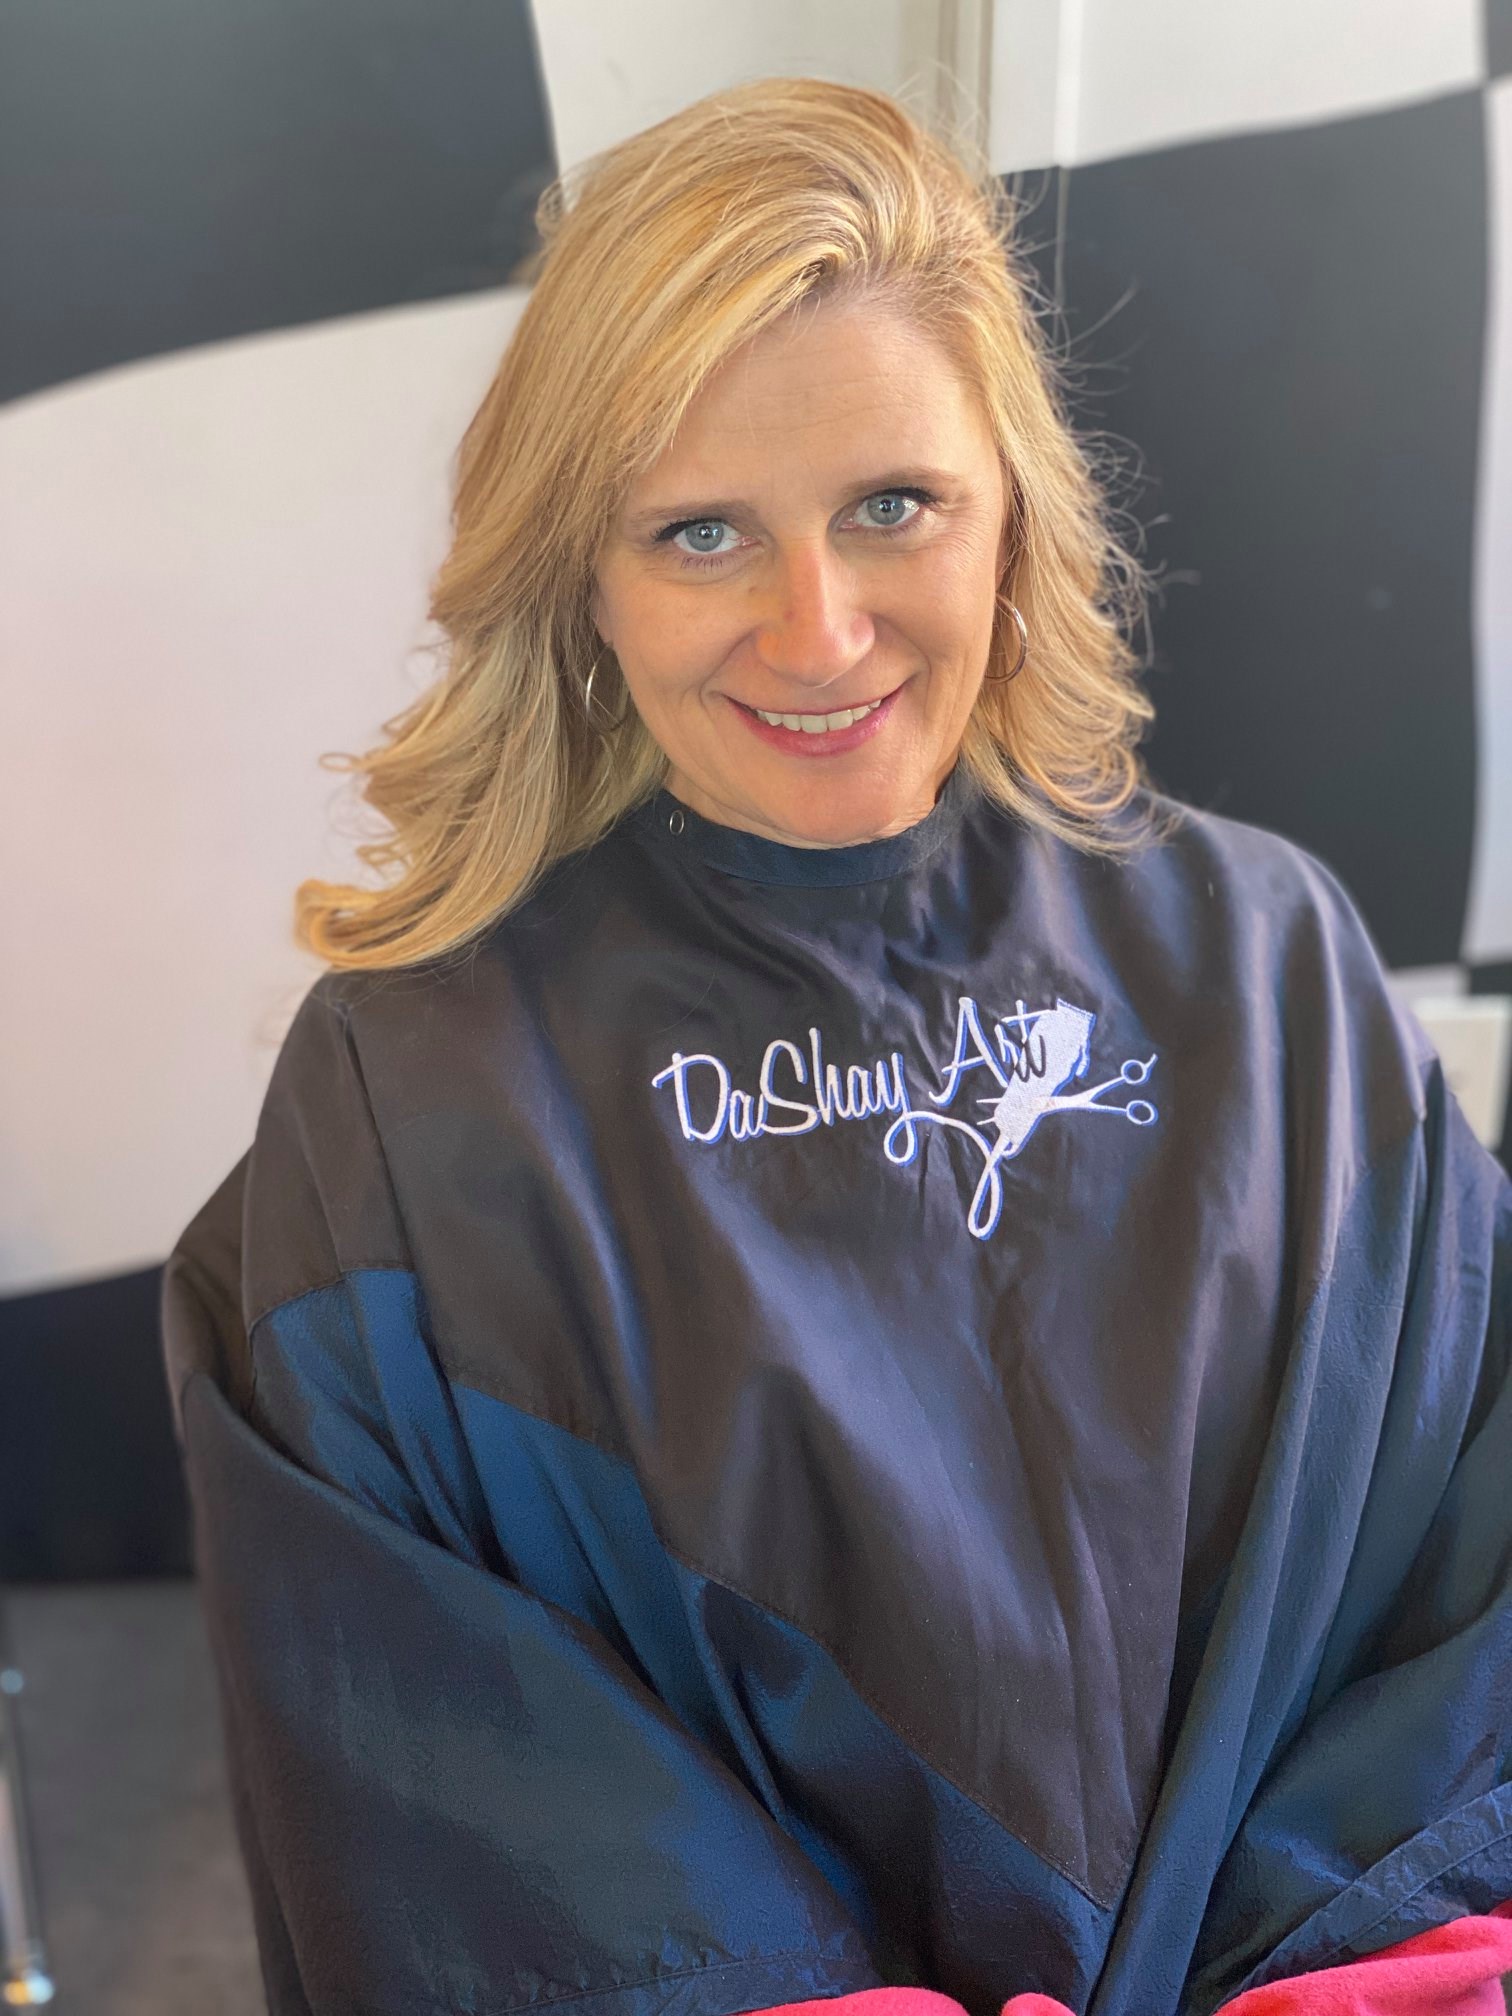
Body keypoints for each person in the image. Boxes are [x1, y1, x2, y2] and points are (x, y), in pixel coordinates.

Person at [159, 75, 1512, 2016]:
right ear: (582, 582)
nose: (818, 630)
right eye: (702, 532)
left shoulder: (1269, 963)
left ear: (1010, 509)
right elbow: (435, 1754)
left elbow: (1468, 1575)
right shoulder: (410, 1094)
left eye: (894, 507)